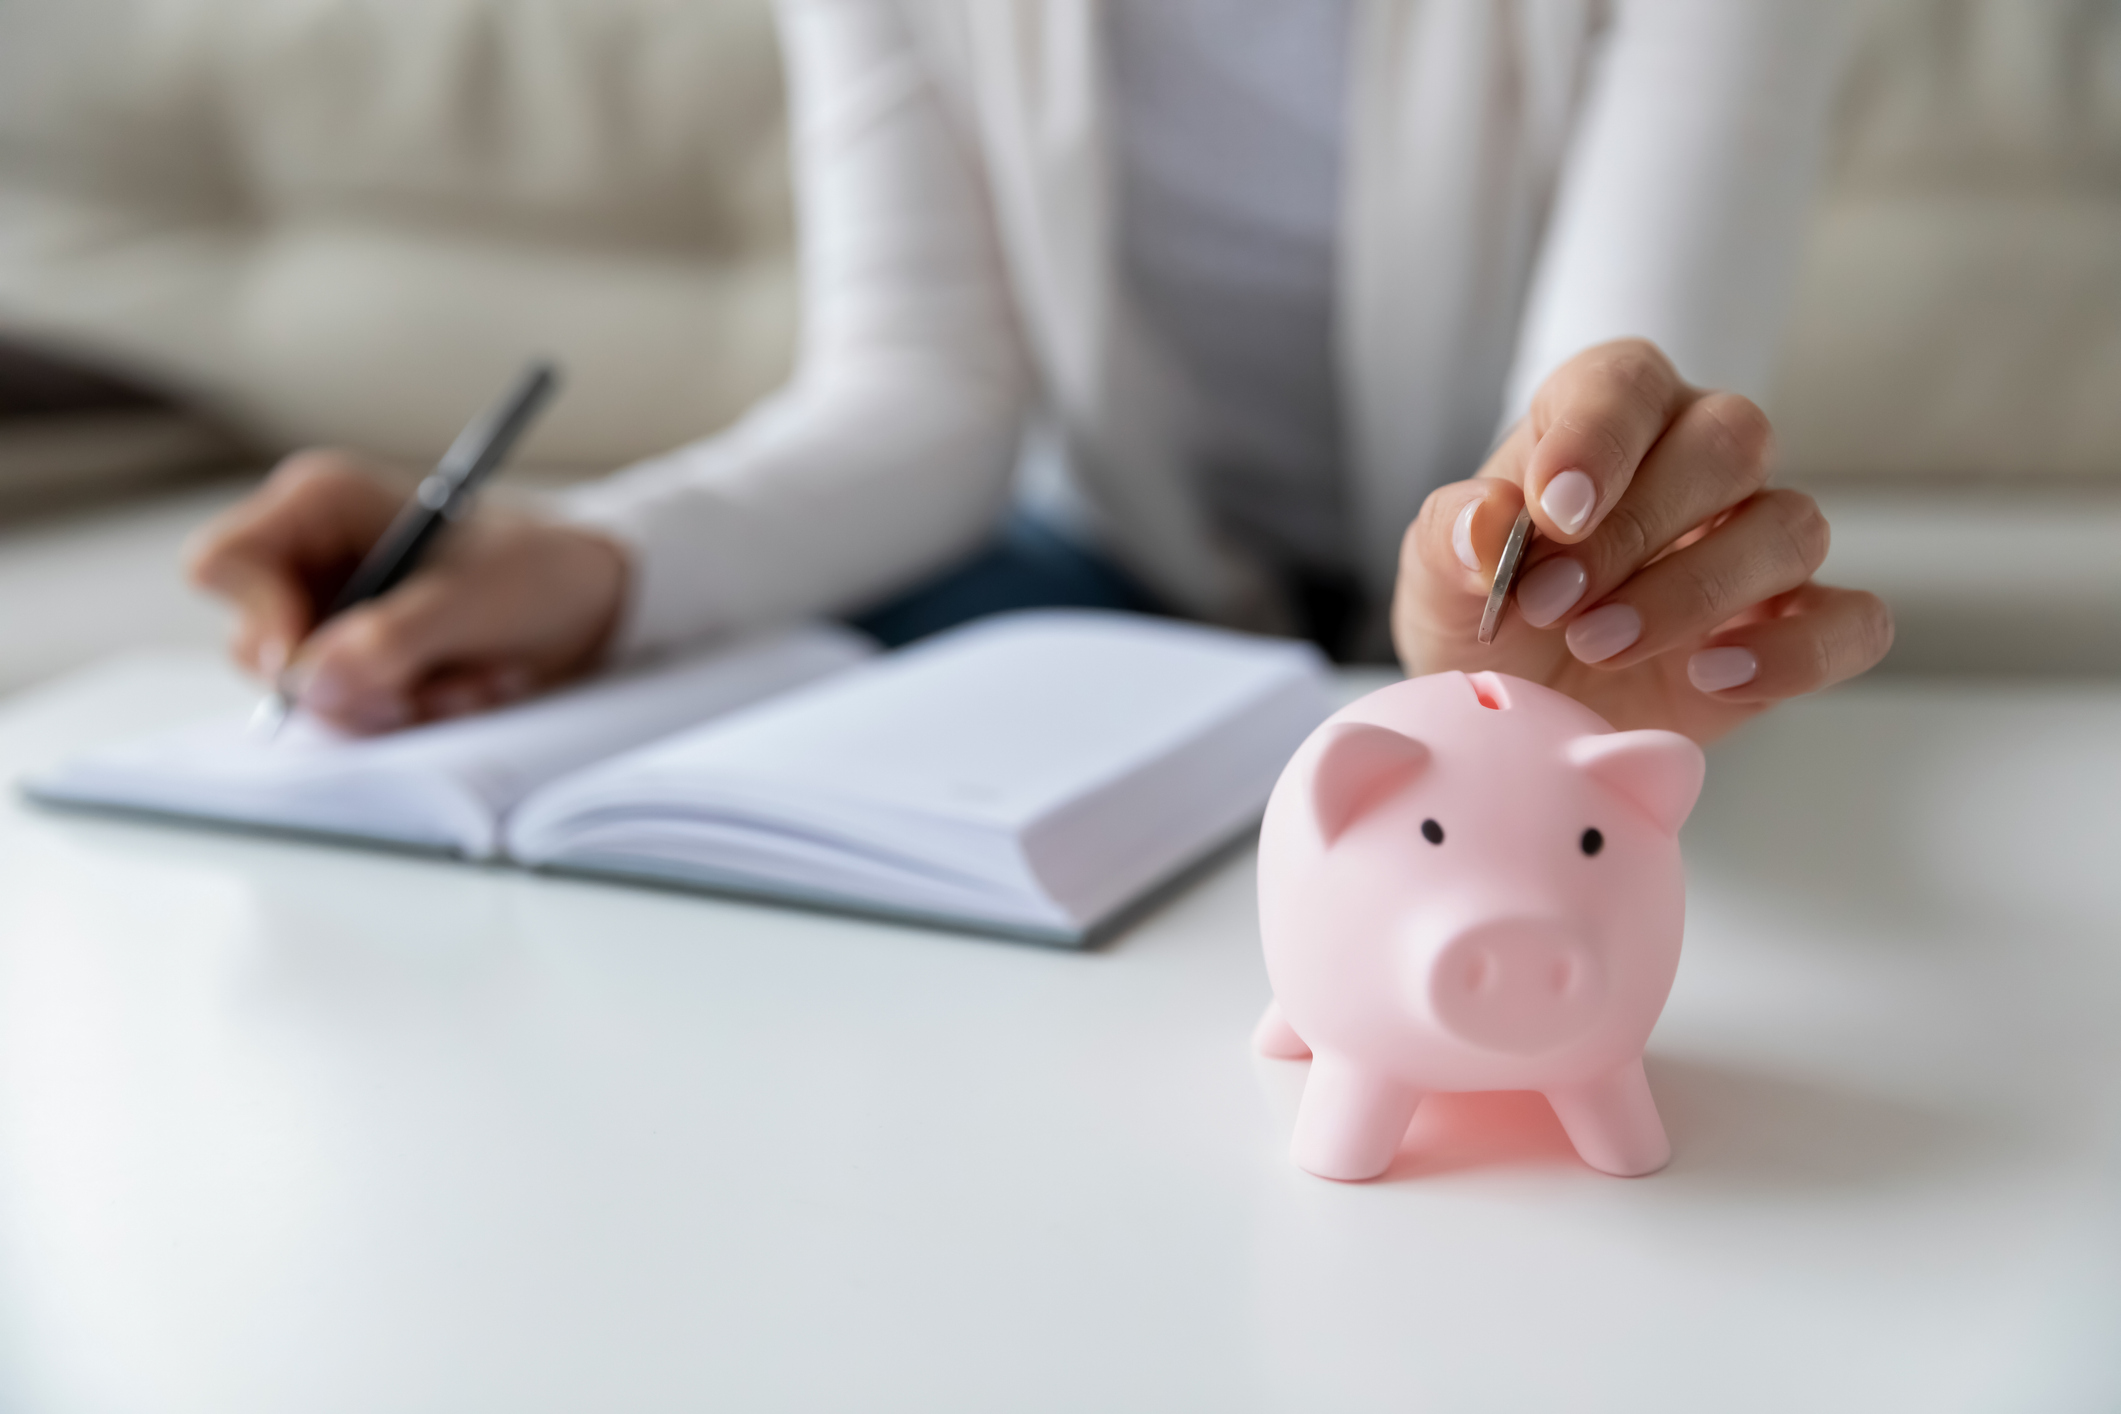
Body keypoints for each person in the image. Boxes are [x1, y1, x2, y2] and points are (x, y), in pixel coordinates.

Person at [187, 0, 1892, 745]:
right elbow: (923, 394)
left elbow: (1621, 385)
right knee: (691, 739)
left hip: (1489, 607)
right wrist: (598, 561)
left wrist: (1548, 574)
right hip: (1105, 559)